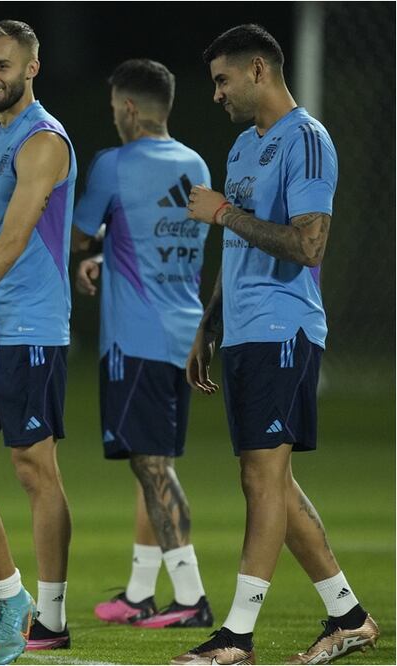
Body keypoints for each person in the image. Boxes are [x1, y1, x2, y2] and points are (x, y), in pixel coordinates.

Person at [172, 24, 378, 665]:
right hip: (245, 332)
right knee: (271, 483)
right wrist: (209, 326)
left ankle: (235, 637)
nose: (217, 94)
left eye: (222, 80)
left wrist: (223, 214)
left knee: (264, 480)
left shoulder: (308, 141)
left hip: (284, 328)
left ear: (258, 69)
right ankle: (350, 616)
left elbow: (308, 245)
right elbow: (236, 249)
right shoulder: (242, 148)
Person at [72, 59, 212, 629]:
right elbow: (159, 240)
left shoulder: (115, 164)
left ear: (129, 109)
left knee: (153, 470)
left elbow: (79, 233)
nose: (114, 118)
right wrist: (112, 255)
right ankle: (139, 593)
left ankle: (191, 597)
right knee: (152, 465)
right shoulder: (194, 162)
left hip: (137, 337)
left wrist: (93, 250)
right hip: (185, 334)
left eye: (114, 109)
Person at [0, 20, 75, 650]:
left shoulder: (42, 140)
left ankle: (52, 618)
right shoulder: (1, 135)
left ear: (32, 67)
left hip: (30, 325)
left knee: (35, 470)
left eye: (3, 66)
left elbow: (12, 239)